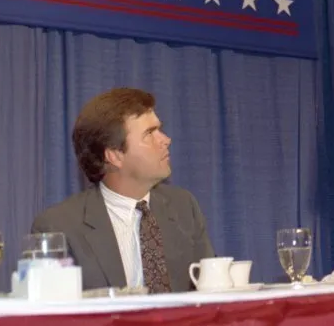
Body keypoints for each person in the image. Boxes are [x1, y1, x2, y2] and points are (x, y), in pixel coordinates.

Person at [31, 87, 214, 292]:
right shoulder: (58, 227)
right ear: (114, 156)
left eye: (159, 130)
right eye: (150, 133)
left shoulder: (183, 206)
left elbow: (211, 292)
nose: (165, 140)